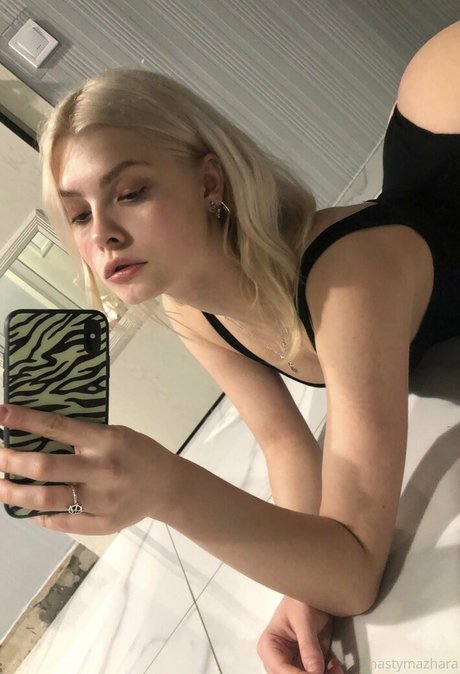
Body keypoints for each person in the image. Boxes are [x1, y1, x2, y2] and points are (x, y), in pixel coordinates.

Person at [0, 19, 459, 674]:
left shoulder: (345, 282)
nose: (102, 234)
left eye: (129, 193)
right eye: (78, 214)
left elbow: (357, 568)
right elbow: (283, 444)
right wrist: (302, 588)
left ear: (209, 183)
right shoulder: (192, 312)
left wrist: (166, 486)